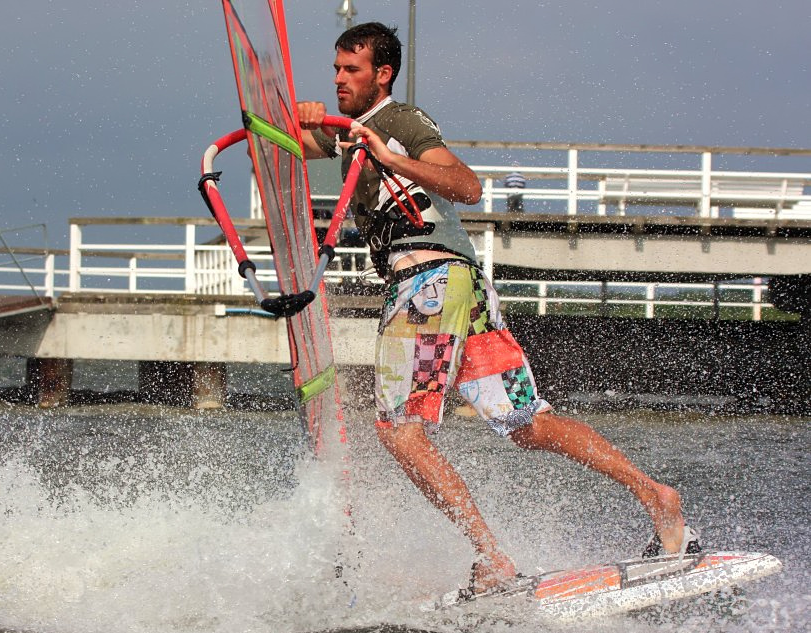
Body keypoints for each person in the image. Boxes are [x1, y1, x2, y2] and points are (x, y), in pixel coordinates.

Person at [296, 22, 699, 595]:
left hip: (427, 288)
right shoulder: (359, 131)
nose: (339, 79)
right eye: (335, 69)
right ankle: (657, 496)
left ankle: (491, 558)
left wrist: (391, 156)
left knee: (398, 428)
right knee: (527, 424)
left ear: (381, 75)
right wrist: (302, 118)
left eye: (350, 70)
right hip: (463, 291)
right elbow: (300, 142)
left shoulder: (397, 122)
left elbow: (466, 185)